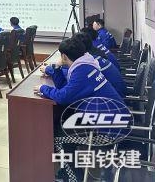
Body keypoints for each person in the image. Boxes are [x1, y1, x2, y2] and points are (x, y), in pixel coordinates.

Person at [34, 36, 124, 182]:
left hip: (108, 130)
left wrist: (43, 88)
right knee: (62, 122)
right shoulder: (86, 64)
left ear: (64, 56)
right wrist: (56, 68)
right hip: (110, 119)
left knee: (59, 137)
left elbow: (63, 96)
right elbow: (65, 88)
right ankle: (68, 170)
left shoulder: (82, 71)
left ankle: (74, 178)